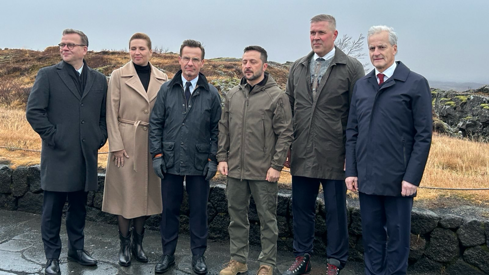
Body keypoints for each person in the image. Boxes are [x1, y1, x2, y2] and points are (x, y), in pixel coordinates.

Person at [345, 25, 432, 275]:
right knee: (371, 238)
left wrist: (412, 177)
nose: (376, 52)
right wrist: (351, 170)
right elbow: (352, 131)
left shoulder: (415, 83)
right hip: (367, 178)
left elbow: (423, 136)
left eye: (381, 47)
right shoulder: (362, 85)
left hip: (399, 180)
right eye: (372, 48)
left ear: (394, 48)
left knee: (397, 239)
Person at [284, 14, 365, 275]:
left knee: (336, 212)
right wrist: (287, 146)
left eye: (321, 33)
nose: (315, 37)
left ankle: (335, 261)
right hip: (302, 151)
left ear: (334, 35)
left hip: (335, 153)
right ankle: (302, 257)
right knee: (301, 209)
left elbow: (358, 113)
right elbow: (289, 109)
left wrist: (351, 155)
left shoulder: (351, 67)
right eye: (312, 33)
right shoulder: (297, 66)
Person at [26, 29, 108, 275]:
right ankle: (52, 258)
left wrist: (99, 138)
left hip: (86, 156)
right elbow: (34, 112)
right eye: (62, 44)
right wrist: (54, 136)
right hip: (58, 155)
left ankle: (76, 249)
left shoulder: (100, 80)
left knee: (79, 208)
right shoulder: (47, 75)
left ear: (85, 49)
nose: (65, 48)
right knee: (52, 210)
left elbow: (103, 116)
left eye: (71, 44)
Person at [217, 46, 293, 275]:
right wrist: (222, 157)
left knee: (267, 220)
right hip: (236, 170)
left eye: (253, 62)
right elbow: (224, 129)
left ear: (264, 66)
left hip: (264, 171)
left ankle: (267, 264)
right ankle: (238, 260)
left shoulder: (277, 96)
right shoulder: (232, 95)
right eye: (244, 62)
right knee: (236, 218)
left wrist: (276, 165)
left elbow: (285, 133)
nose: (247, 66)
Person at [149, 39, 221, 274]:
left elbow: (217, 130)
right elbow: (156, 124)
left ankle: (198, 256)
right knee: (169, 210)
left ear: (202, 62)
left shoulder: (211, 94)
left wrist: (213, 159)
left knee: (199, 211)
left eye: (195, 59)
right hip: (169, 160)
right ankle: (167, 255)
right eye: (186, 58)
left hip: (200, 163)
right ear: (179, 60)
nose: (190, 63)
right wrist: (157, 155)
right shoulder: (166, 90)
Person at [102, 33, 168, 267]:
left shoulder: (162, 77)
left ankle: (138, 243)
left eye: (141, 48)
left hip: (151, 145)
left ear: (151, 51)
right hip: (126, 144)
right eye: (133, 48)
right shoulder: (118, 75)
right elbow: (111, 112)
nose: (137, 52)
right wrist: (116, 146)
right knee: (126, 195)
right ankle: (124, 244)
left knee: (146, 195)